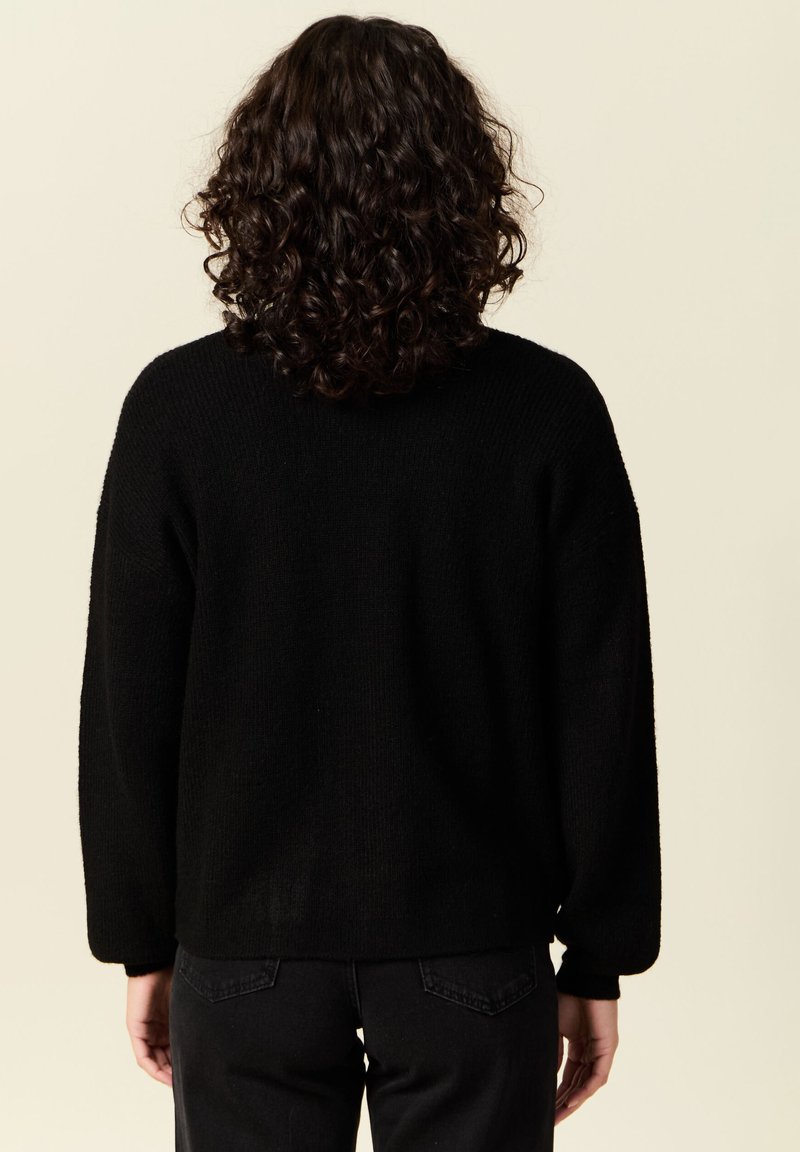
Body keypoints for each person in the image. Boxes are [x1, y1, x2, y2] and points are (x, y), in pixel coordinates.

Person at [78, 14, 661, 1152]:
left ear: (256, 192)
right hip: (473, 950)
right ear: (463, 190)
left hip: (243, 949)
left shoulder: (178, 411)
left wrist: (141, 939)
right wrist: (598, 954)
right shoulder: (546, 410)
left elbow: (127, 707)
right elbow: (601, 702)